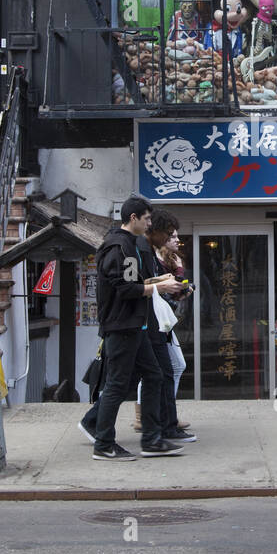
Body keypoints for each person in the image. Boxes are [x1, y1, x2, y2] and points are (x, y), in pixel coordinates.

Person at [84, 195, 186, 461]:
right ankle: (104, 443)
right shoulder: (120, 246)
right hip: (122, 326)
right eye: (147, 218)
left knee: (154, 375)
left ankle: (152, 440)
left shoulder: (129, 244)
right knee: (117, 385)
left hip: (135, 325)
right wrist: (158, 287)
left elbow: (130, 282)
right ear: (134, 218)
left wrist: (158, 281)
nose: (150, 223)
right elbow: (126, 289)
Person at [136, 208, 195, 441]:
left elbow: (168, 292)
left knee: (168, 369)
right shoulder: (143, 251)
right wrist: (165, 282)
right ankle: (155, 420)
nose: (177, 239)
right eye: (171, 235)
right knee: (149, 373)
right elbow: (138, 285)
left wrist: (181, 288)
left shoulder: (166, 257)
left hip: (162, 320)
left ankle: (165, 417)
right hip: (151, 320)